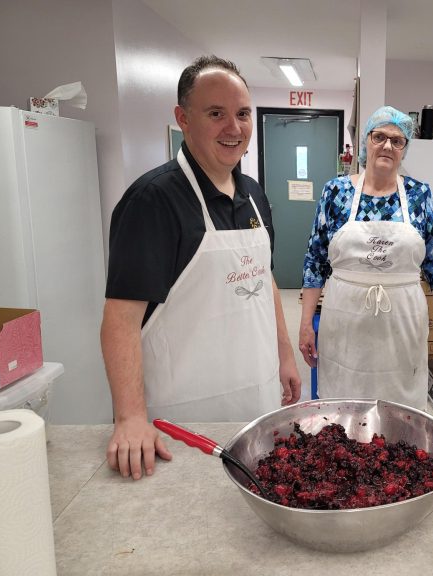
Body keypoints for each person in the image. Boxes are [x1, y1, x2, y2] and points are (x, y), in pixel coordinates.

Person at [101, 55, 301, 479]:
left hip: (256, 397)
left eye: (243, 114)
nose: (234, 128)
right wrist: (129, 417)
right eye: (216, 114)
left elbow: (264, 278)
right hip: (185, 417)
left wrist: (284, 355)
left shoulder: (254, 195)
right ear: (183, 118)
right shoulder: (153, 202)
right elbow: (120, 319)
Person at [298, 106, 433, 410]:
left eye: (397, 141)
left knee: (399, 405)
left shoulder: (420, 195)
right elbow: (315, 261)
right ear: (365, 142)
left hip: (403, 319)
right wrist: (306, 323)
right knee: (344, 401)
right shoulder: (336, 192)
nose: (387, 145)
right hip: (345, 318)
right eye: (379, 136)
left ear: (404, 149)